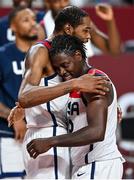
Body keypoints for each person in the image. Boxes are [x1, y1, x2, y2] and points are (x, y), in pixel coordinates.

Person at [8, 6, 110, 179]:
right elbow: (25, 96)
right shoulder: (40, 51)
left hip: (62, 134)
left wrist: (110, 105)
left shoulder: (67, 54)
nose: (88, 37)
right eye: (85, 30)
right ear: (68, 29)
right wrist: (74, 83)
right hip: (47, 133)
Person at [27, 34, 125, 179]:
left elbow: (96, 132)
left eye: (65, 65)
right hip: (88, 165)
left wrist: (50, 141)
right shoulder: (77, 83)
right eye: (57, 68)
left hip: (98, 165)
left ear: (78, 55)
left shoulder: (95, 81)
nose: (62, 71)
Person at [0, 6, 38, 178]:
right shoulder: (3, 55)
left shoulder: (44, 54)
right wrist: (14, 117)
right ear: (13, 27)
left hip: (42, 133)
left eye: (33, 19)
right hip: (11, 134)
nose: (33, 24)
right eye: (26, 20)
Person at [41, 0, 121, 56]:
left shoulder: (83, 23)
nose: (62, 4)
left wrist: (110, 21)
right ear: (47, 2)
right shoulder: (41, 28)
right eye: (57, 1)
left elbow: (114, 51)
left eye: (65, 0)